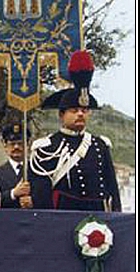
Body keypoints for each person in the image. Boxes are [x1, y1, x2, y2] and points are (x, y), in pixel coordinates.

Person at [29, 51, 120, 211]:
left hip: (97, 220)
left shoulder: (100, 145)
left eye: (84, 110)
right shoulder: (46, 147)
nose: (80, 114)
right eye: (74, 110)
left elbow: (112, 190)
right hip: (62, 219)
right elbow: (41, 197)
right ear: (61, 115)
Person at [0, 121, 32, 210]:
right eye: (12, 144)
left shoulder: (36, 171)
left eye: (20, 143)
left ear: (27, 146)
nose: (16, 147)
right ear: (5, 146)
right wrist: (13, 193)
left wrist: (33, 201)